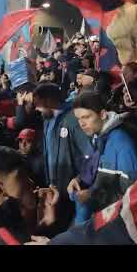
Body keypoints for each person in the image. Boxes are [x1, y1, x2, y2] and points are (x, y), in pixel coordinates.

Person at [68, 91, 137, 223]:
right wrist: (79, 180)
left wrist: (92, 195)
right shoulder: (98, 137)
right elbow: (95, 170)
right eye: (78, 118)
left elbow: (133, 194)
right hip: (98, 219)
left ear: (102, 114)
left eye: (86, 117)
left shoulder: (121, 142)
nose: (81, 124)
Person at [33, 82, 90, 232]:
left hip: (72, 192)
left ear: (49, 101)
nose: (36, 108)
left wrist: (80, 179)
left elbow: (89, 155)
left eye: (38, 103)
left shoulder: (73, 119)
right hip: (55, 190)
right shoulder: (47, 120)